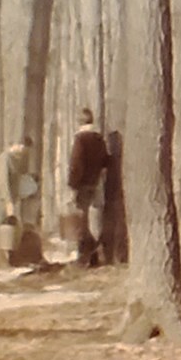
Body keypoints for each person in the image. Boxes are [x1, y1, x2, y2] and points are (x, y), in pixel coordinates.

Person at [68, 108, 109, 266]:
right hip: (96, 183)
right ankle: (95, 253)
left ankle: (85, 256)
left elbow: (76, 164)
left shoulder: (80, 139)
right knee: (94, 219)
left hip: (83, 184)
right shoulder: (99, 139)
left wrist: (73, 184)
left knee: (81, 221)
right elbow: (106, 160)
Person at [0, 136, 36, 266]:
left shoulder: (16, 160)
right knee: (4, 230)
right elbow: (4, 182)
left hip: (12, 199)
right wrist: (8, 202)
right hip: (2, 199)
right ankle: (3, 261)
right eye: (24, 148)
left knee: (12, 230)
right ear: (18, 145)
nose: (24, 151)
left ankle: (11, 259)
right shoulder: (5, 159)